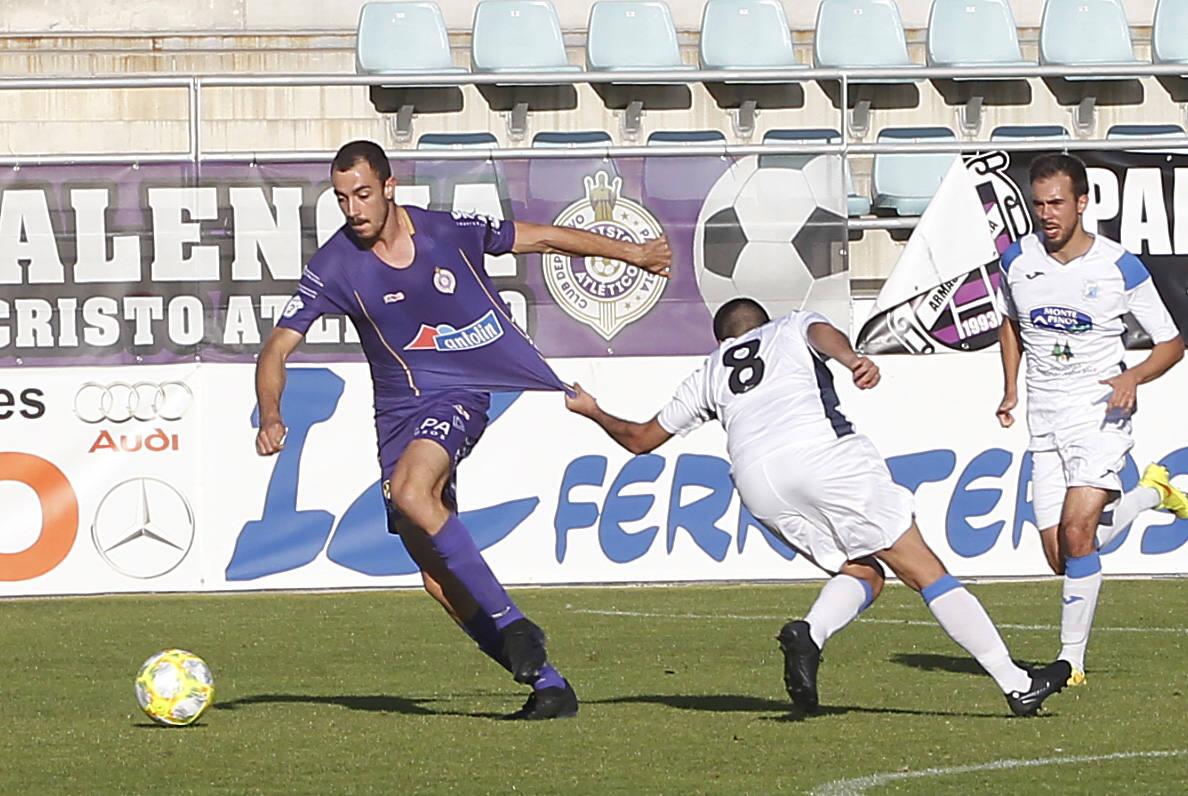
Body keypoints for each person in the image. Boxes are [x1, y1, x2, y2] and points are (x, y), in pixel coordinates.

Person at [255, 140, 672, 720]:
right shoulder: (333, 265)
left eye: (363, 194)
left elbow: (546, 237)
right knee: (437, 580)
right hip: (397, 415)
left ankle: (515, 622)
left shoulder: (449, 230)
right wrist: (271, 413)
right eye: (342, 198)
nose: (353, 210)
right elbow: (276, 347)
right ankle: (550, 686)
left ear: (390, 185)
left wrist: (633, 254)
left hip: (460, 391)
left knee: (410, 492)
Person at [566, 297, 1069, 717]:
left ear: (722, 340)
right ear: (762, 323)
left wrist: (591, 411)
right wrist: (851, 360)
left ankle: (811, 633)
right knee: (925, 570)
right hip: (822, 456)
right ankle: (1016, 683)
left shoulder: (708, 372)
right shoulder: (791, 324)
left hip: (758, 484)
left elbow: (638, 439)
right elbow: (822, 334)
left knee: (865, 570)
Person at [996, 153, 1186, 686]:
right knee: (1062, 553)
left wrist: (1132, 378)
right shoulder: (1016, 260)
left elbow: (1172, 343)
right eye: (1038, 203)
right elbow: (1009, 324)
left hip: (1100, 413)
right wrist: (1010, 387)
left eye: (1057, 202)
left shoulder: (1118, 265)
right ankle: (1151, 495)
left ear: (1082, 203)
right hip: (1044, 417)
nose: (1047, 213)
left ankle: (1070, 662)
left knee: (1080, 531)